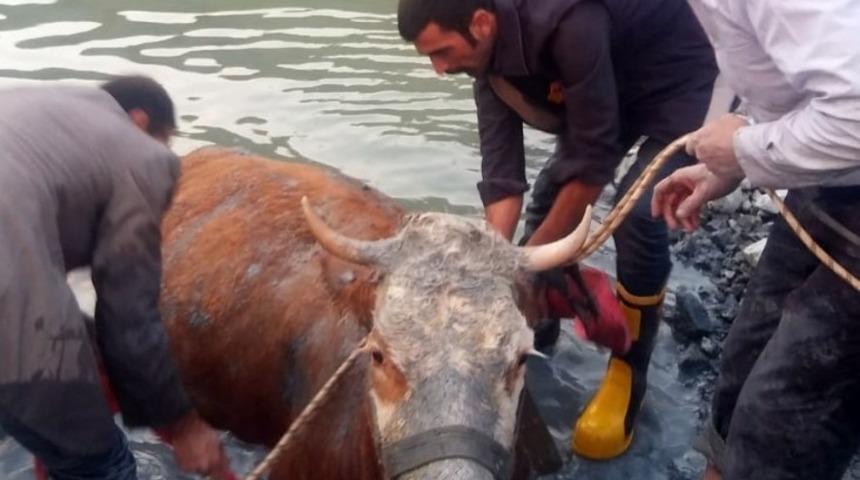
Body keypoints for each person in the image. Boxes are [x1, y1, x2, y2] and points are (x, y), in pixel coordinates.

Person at [397, 0, 719, 459]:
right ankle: (534, 323)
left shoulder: (568, 21)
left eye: (442, 52)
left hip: (680, 82)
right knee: (548, 204)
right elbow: (503, 179)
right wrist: (495, 268)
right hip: (608, 87)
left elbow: (592, 162)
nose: (439, 69)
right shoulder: (487, 64)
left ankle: (629, 370)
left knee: (637, 215)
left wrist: (526, 267)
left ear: (481, 23)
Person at [651, 0, 860, 478]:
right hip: (826, 184)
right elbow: (794, 72)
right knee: (740, 366)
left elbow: (856, 113)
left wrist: (745, 148)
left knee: (782, 418)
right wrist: (729, 165)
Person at [0, 76, 231, 480]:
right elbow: (129, 316)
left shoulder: (47, 110)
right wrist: (186, 427)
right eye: (167, 139)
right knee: (101, 464)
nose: (166, 151)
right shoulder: (142, 156)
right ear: (140, 121)